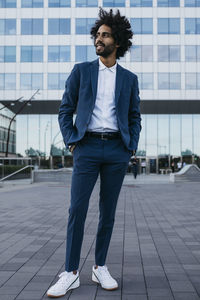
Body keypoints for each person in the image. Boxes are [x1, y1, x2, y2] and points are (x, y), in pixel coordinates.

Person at [47, 8, 141, 298]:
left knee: (108, 213)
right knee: (77, 209)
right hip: (86, 147)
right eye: (97, 35)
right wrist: (71, 140)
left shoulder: (129, 78)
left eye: (105, 35)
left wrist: (131, 146)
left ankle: (100, 266)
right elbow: (65, 109)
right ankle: (71, 272)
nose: (98, 40)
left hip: (116, 149)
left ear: (118, 41)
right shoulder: (81, 71)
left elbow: (134, 116)